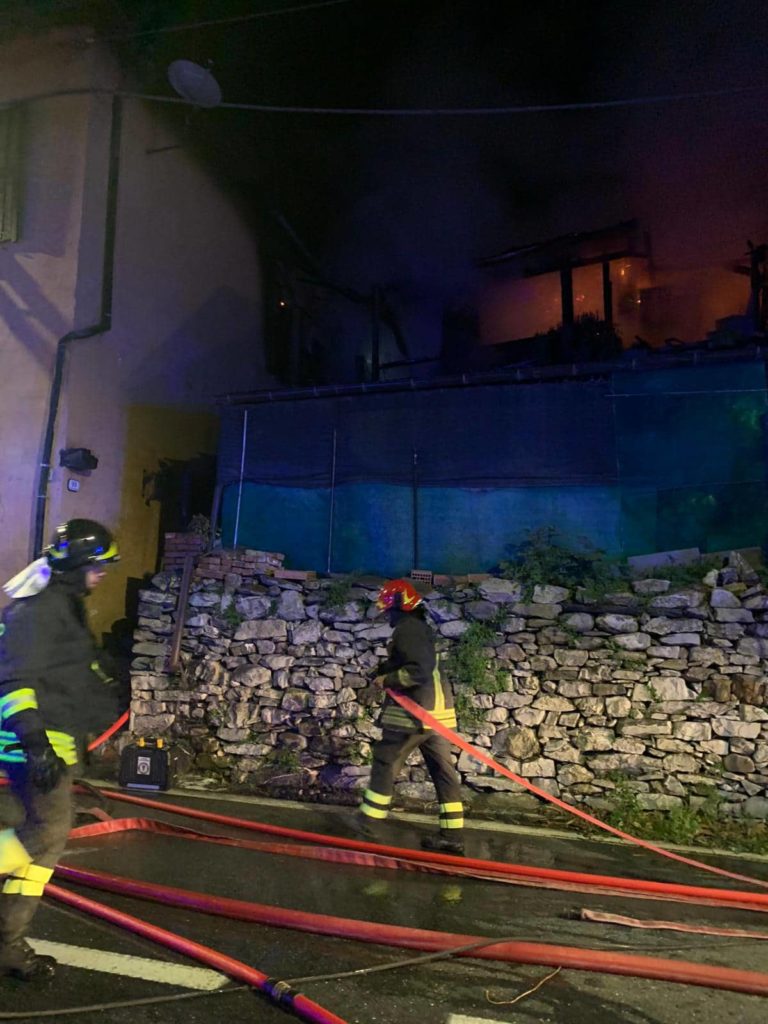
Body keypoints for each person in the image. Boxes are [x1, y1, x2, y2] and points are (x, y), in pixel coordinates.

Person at [0, 519, 119, 980]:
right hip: (33, 743)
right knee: (46, 832)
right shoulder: (39, 610)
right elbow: (14, 681)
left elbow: (69, 668)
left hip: (52, 743)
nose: (103, 573)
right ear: (76, 566)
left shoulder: (61, 604)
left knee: (39, 843)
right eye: (98, 565)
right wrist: (36, 744)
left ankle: (7, 944)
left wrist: (109, 679)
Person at [350, 578, 465, 856]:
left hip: (416, 714)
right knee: (443, 771)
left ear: (399, 607)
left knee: (386, 760)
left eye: (388, 611)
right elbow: (414, 661)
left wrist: (387, 680)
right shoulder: (419, 628)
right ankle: (452, 835)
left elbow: (418, 670)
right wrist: (383, 669)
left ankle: (368, 824)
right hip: (437, 716)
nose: (386, 616)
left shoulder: (408, 629)